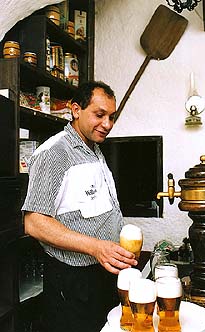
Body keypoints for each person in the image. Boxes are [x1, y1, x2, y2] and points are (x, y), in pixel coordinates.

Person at [21, 81, 138, 332]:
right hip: (73, 282)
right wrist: (96, 247)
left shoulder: (94, 149)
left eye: (111, 117)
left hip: (103, 272)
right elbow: (33, 223)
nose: (107, 124)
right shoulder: (54, 153)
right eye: (99, 115)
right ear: (76, 110)